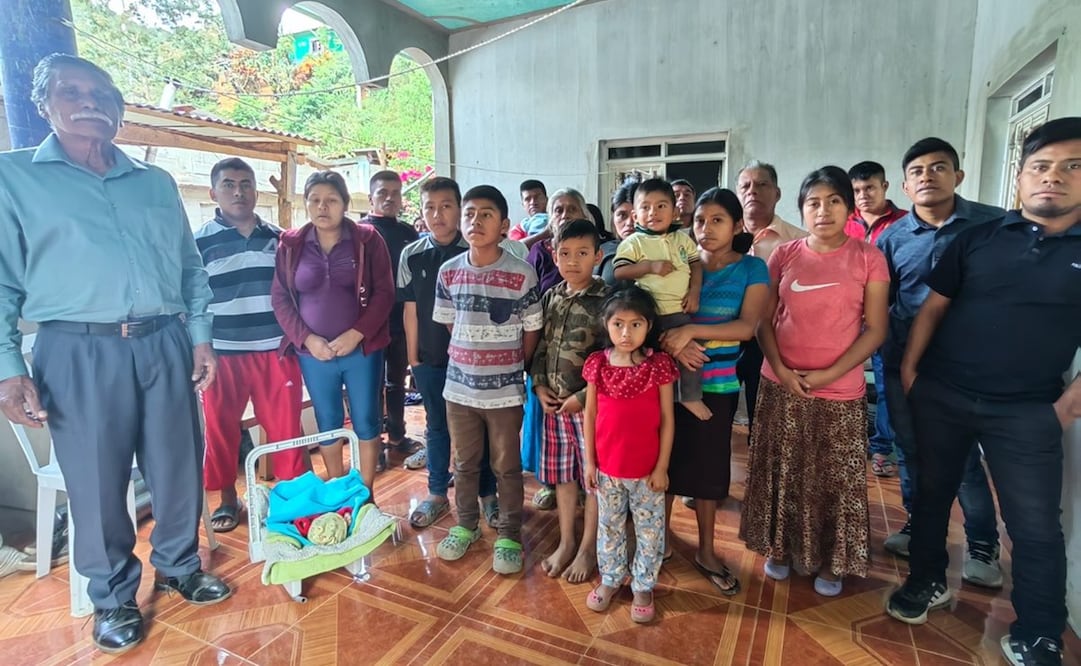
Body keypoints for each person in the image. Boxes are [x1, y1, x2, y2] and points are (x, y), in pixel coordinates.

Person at [0, 54, 231, 654]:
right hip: (77, 350)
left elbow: (188, 267)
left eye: (102, 92)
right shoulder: (13, 178)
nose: (90, 102)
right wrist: (8, 371)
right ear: (43, 104)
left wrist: (200, 334)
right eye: (72, 91)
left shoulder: (152, 184)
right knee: (98, 481)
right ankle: (113, 596)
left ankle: (180, 567)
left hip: (164, 341)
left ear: (120, 108)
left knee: (178, 464)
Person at [886, 117, 1081, 666]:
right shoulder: (981, 239)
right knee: (930, 497)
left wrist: (1064, 408)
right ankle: (927, 581)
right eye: (1041, 167)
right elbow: (934, 306)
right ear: (1020, 179)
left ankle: (1039, 629)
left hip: (1027, 410)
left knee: (1035, 524)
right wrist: (911, 373)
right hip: (943, 394)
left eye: (1072, 167)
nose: (1054, 178)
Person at [739, 166, 889, 597]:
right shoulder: (784, 255)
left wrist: (828, 374)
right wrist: (782, 370)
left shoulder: (868, 257)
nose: (823, 211)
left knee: (832, 478)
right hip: (779, 382)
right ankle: (781, 549)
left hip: (839, 390)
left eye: (833, 201)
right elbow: (763, 321)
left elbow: (876, 329)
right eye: (813, 203)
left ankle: (831, 560)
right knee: (782, 471)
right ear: (801, 208)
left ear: (849, 207)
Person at [875, 138, 1004, 586]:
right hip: (901, 362)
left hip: (964, 367)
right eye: (918, 171)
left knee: (963, 459)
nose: (928, 176)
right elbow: (883, 304)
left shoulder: (993, 225)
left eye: (939, 167)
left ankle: (982, 543)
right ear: (906, 187)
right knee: (909, 451)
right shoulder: (892, 238)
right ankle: (917, 525)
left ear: (958, 176)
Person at [661, 187, 768, 594]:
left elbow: (746, 327)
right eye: (700, 220)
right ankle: (661, 542)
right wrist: (675, 339)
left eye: (717, 220)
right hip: (665, 384)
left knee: (708, 473)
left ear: (737, 225)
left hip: (717, 386)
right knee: (664, 467)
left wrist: (691, 331)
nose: (705, 229)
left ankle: (706, 550)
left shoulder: (751, 270)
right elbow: (652, 312)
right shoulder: (680, 267)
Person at [432, 185, 542, 575]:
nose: (475, 221)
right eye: (470, 214)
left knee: (507, 466)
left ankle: (509, 533)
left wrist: (510, 365)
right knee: (464, 464)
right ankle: (466, 525)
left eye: (486, 215)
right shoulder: (449, 272)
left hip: (505, 392)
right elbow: (451, 325)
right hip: (459, 389)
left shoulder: (522, 273)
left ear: (505, 225)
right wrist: (473, 357)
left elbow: (531, 331)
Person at [195, 158, 306, 533]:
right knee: (220, 429)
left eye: (245, 184)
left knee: (286, 429)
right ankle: (229, 499)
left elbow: (295, 293)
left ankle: (291, 500)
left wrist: (293, 336)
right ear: (213, 193)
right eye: (228, 185)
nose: (238, 192)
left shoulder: (281, 239)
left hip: (275, 351)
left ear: (257, 191)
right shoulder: (198, 242)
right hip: (221, 354)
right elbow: (191, 301)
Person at [271, 170, 395, 492]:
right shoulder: (291, 244)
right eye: (315, 200)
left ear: (344, 204)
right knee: (328, 421)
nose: (322, 207)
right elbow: (281, 297)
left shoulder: (367, 240)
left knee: (367, 420)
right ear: (306, 204)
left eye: (331, 200)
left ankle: (364, 494)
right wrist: (308, 340)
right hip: (313, 354)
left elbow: (385, 293)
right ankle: (339, 491)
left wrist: (357, 333)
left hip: (361, 351)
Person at [398, 177, 499, 529]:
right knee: (436, 427)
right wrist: (413, 358)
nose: (437, 214)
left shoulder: (474, 251)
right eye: (429, 207)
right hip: (430, 359)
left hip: (473, 362)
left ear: (459, 209)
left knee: (479, 431)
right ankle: (437, 493)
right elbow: (410, 310)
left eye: (445, 206)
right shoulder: (412, 255)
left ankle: (488, 496)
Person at [582, 286, 678, 624]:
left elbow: (667, 419)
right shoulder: (597, 365)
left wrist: (662, 466)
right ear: (606, 325)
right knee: (609, 528)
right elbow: (590, 415)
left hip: (648, 472)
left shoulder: (659, 365)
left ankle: (643, 585)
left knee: (650, 531)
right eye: (618, 324)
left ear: (649, 325)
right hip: (607, 470)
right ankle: (610, 579)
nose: (626, 333)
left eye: (635, 324)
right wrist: (590, 462)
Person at [531, 219, 610, 583]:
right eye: (565, 253)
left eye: (582, 254)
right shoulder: (552, 297)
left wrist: (582, 397)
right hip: (553, 407)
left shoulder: (607, 300)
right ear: (554, 254)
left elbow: (613, 358)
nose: (573, 261)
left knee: (591, 479)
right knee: (563, 476)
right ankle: (566, 541)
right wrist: (538, 384)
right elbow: (542, 347)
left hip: (589, 408)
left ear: (598, 256)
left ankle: (588, 547)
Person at [613, 178, 708, 420]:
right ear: (635, 215)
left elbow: (696, 265)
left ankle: (689, 397)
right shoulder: (633, 242)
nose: (652, 213)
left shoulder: (683, 240)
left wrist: (694, 291)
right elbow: (620, 271)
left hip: (678, 310)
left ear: (675, 211)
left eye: (661, 206)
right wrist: (648, 266)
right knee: (649, 361)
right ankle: (648, 401)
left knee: (693, 352)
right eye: (645, 207)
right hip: (648, 313)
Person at [525, 187, 590, 511]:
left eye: (571, 208)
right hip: (549, 360)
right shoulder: (537, 251)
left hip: (584, 381)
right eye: (558, 209)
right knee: (551, 436)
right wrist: (537, 380)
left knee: (587, 445)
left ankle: (583, 485)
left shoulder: (600, 294)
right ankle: (552, 483)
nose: (565, 214)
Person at [843, 160, 909, 478]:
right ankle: (849, 440)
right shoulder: (844, 223)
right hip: (846, 320)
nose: (863, 195)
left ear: (885, 186)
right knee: (845, 380)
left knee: (885, 385)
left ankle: (883, 447)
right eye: (856, 190)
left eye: (869, 187)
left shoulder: (904, 224)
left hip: (889, 318)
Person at [735, 161, 808, 431]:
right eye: (746, 186)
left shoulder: (797, 242)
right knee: (717, 416)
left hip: (772, 340)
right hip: (724, 337)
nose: (752, 191)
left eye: (762, 185)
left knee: (764, 419)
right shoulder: (716, 237)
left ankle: (760, 472)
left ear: (777, 193)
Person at [364, 170, 421, 471]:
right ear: (371, 196)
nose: (389, 198)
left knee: (396, 383)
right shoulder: (360, 232)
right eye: (383, 192)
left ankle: (398, 435)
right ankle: (375, 446)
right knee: (370, 386)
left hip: (401, 321)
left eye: (395, 193)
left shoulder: (409, 233)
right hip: (369, 325)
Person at [598, 179, 638, 286]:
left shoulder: (662, 250)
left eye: (636, 216)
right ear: (613, 216)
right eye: (622, 215)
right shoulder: (600, 253)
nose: (630, 222)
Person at [508, 179, 550, 248]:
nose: (533, 202)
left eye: (537, 197)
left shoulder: (559, 220)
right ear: (523, 205)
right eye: (527, 199)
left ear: (547, 200)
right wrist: (545, 233)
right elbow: (515, 249)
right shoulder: (518, 229)